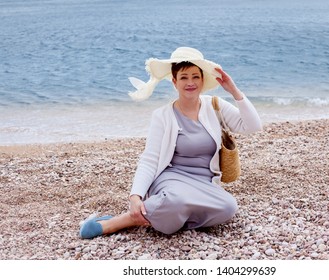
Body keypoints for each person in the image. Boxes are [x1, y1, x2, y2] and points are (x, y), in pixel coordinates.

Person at [79, 47, 262, 238]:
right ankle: (115, 222)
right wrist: (136, 196)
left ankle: (168, 217)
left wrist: (233, 90)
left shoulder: (215, 106)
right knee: (176, 201)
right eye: (184, 77)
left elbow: (252, 126)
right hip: (171, 178)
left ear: (202, 80)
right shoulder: (162, 116)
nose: (190, 82)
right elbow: (150, 159)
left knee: (228, 208)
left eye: (195, 77)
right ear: (174, 82)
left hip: (204, 182)